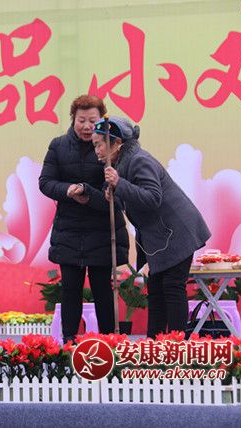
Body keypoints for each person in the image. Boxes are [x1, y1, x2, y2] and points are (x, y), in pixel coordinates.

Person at [92, 116, 211, 338]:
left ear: (117, 143)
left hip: (177, 232)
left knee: (172, 287)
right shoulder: (120, 165)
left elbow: (152, 198)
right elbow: (134, 200)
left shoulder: (138, 160)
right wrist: (114, 195)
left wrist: (119, 184)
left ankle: (176, 345)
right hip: (161, 237)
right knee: (156, 289)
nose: (97, 150)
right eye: (95, 145)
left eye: (99, 144)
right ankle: (154, 343)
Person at [39, 95, 129, 342]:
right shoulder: (58, 146)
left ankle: (109, 342)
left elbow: (115, 194)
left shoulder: (111, 147)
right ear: (73, 120)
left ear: (102, 121)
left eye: (93, 121)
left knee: (102, 290)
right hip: (69, 230)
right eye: (82, 120)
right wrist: (67, 190)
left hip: (102, 230)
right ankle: (69, 342)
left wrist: (89, 194)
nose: (87, 126)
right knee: (70, 289)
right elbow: (45, 182)